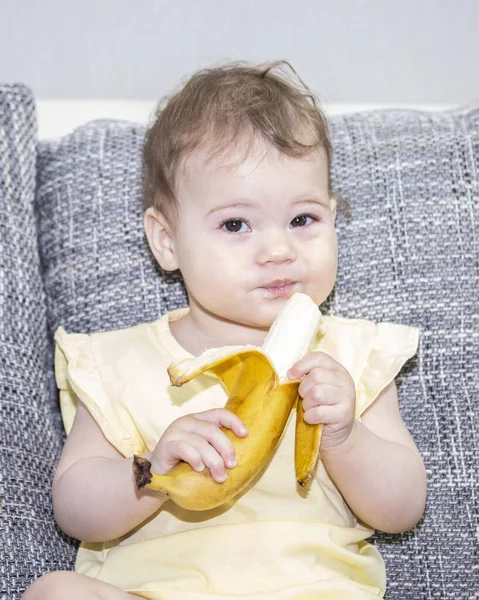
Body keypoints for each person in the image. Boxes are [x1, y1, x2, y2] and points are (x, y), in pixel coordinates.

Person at [23, 61, 427, 600]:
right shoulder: (116, 362)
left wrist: (346, 438)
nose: (279, 250)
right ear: (166, 241)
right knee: (55, 591)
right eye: (236, 225)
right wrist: (151, 472)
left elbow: (403, 509)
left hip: (312, 589)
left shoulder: (351, 356)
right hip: (155, 590)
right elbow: (74, 511)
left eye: (303, 219)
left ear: (333, 217)